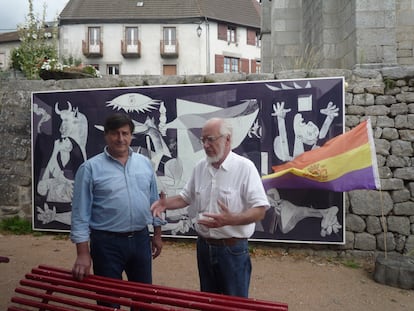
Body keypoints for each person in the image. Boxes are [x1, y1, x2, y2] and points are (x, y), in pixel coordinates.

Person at [151, 117, 269, 298]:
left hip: (232, 249)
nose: (205, 145)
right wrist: (166, 204)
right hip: (204, 247)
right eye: (203, 140)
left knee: (235, 304)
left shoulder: (245, 168)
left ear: (227, 139)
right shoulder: (200, 167)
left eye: (210, 139)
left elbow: (260, 210)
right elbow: (185, 198)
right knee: (208, 301)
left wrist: (232, 220)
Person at [70, 113, 163, 306]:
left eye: (125, 133)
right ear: (106, 135)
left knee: (144, 300)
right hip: (106, 244)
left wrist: (157, 234)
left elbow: (155, 200)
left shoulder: (145, 164)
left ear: (131, 136)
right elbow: (80, 214)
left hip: (140, 240)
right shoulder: (90, 169)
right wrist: (82, 254)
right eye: (115, 133)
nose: (120, 139)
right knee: (108, 301)